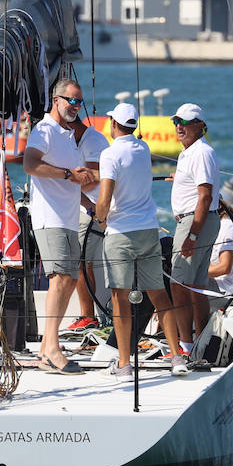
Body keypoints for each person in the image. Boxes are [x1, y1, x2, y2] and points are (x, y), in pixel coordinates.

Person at [22, 78, 98, 374]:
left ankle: (46, 349)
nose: (76, 107)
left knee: (69, 279)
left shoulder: (67, 134)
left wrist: (85, 201)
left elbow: (71, 178)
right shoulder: (45, 130)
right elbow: (30, 164)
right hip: (50, 218)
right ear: (56, 99)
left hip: (67, 216)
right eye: (72, 101)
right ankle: (51, 348)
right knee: (60, 278)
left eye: (80, 102)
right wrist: (69, 175)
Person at [95, 102, 174, 382]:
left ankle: (125, 364)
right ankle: (177, 358)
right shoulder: (143, 149)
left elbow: (104, 198)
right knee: (158, 294)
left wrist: (99, 218)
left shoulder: (109, 153)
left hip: (121, 233)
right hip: (149, 230)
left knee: (121, 300)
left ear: (114, 124)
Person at [167, 102, 218, 373]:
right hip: (197, 221)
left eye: (185, 123)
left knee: (179, 284)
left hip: (194, 222)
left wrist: (192, 235)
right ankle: (201, 343)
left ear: (200, 125)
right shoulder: (191, 153)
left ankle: (185, 346)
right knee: (195, 285)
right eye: (176, 122)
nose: (179, 127)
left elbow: (206, 195)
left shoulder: (200, 152)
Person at [68, 108, 109, 330]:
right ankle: (88, 315)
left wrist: (64, 179)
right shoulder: (80, 139)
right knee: (82, 264)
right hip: (82, 208)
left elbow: (94, 180)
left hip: (91, 210)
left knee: (81, 264)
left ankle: (88, 316)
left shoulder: (93, 141)